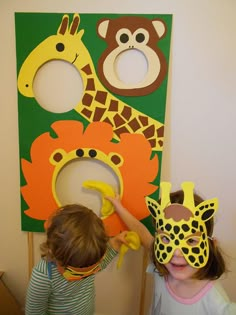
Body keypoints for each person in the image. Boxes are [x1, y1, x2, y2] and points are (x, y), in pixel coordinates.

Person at [107, 181, 236, 315]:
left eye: (190, 241)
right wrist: (118, 207)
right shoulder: (163, 260)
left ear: (211, 245)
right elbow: (142, 233)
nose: (176, 252)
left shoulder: (217, 304)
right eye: (167, 239)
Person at [25, 203, 128, 315]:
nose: (83, 276)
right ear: (52, 250)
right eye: (76, 272)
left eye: (87, 271)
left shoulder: (87, 260)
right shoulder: (43, 276)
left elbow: (98, 266)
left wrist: (115, 243)